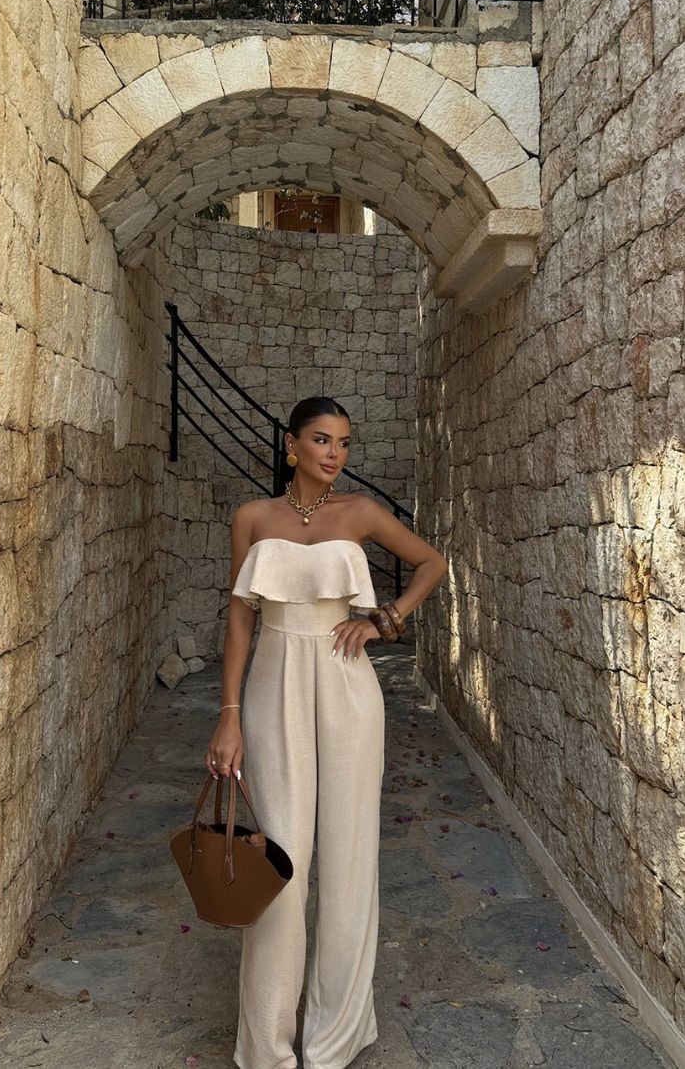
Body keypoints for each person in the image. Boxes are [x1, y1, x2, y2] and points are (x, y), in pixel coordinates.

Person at [206, 396, 447, 1069]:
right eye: (320, 439)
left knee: (348, 858)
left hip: (347, 689)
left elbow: (432, 563)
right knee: (280, 864)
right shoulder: (253, 518)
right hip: (271, 689)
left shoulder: (361, 512)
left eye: (343, 442)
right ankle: (267, 1047)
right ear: (291, 444)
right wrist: (229, 715)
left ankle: (333, 1038)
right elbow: (240, 621)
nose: (334, 453)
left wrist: (383, 621)